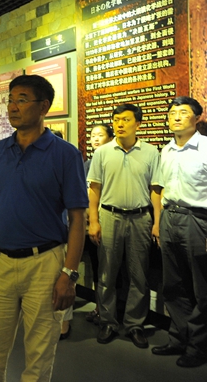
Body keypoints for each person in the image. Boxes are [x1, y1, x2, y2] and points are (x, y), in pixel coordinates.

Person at [0, 74, 88, 382]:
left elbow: (78, 219)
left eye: (22, 100)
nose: (12, 107)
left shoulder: (65, 154)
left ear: (44, 106)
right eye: (10, 100)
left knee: (39, 354)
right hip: (0, 261)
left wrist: (69, 274)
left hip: (45, 264)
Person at [88, 104, 161, 348]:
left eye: (126, 119)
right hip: (110, 216)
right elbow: (94, 189)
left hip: (141, 218)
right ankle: (108, 321)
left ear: (138, 124)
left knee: (139, 275)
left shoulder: (150, 152)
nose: (120, 124)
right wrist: (94, 221)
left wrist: (157, 222)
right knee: (106, 273)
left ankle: (134, 324)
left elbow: (155, 190)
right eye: (116, 119)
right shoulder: (103, 152)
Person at [152, 96, 207, 368]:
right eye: (172, 112)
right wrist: (158, 223)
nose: (176, 117)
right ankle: (178, 338)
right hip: (169, 218)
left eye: (183, 112)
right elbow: (160, 189)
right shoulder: (166, 150)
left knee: (201, 288)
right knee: (173, 285)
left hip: (198, 221)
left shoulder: (205, 147)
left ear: (197, 118)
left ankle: (198, 347)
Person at [82, 123, 114, 326]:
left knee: (111, 267)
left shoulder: (113, 160)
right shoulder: (88, 164)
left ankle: (110, 309)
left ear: (110, 138)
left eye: (100, 135)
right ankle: (99, 306)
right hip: (90, 222)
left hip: (109, 219)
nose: (95, 138)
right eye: (92, 135)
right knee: (97, 265)